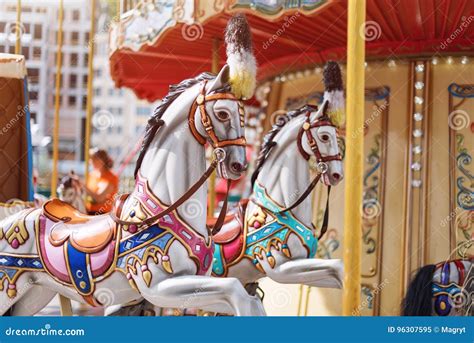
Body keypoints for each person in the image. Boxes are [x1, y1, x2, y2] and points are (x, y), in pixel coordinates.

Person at [82, 148, 119, 215]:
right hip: (87, 211)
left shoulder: (112, 177)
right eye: (91, 159)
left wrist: (84, 187)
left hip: (103, 215)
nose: (91, 162)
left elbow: (99, 198)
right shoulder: (91, 175)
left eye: (94, 159)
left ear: (102, 161)